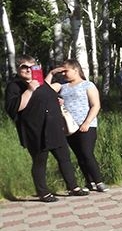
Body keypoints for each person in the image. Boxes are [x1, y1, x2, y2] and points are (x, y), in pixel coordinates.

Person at [4, 55, 89, 202]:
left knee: (64, 158)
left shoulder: (40, 81)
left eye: (32, 67)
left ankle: (73, 187)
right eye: (24, 67)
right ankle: (43, 193)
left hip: (54, 128)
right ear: (18, 69)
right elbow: (14, 108)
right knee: (40, 162)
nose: (28, 70)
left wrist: (57, 101)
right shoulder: (14, 86)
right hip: (35, 131)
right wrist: (30, 90)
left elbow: (48, 96)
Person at [47, 59, 108, 192]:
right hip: (69, 126)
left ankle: (99, 181)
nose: (63, 74)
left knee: (87, 153)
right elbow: (44, 90)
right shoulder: (62, 85)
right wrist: (51, 73)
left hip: (87, 125)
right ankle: (89, 181)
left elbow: (95, 105)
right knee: (79, 155)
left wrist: (86, 123)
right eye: (62, 72)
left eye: (66, 71)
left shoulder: (87, 85)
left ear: (76, 70)